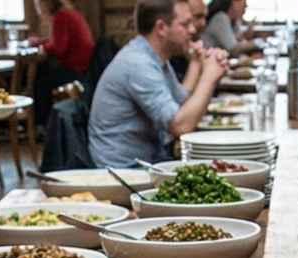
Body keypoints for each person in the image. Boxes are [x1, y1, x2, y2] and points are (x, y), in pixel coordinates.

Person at [89, 0, 225, 169]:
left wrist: (197, 64)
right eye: (185, 24)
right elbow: (181, 126)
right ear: (161, 28)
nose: (193, 30)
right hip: (123, 171)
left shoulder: (155, 57)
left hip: (148, 161)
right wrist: (209, 78)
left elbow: (181, 104)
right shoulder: (138, 63)